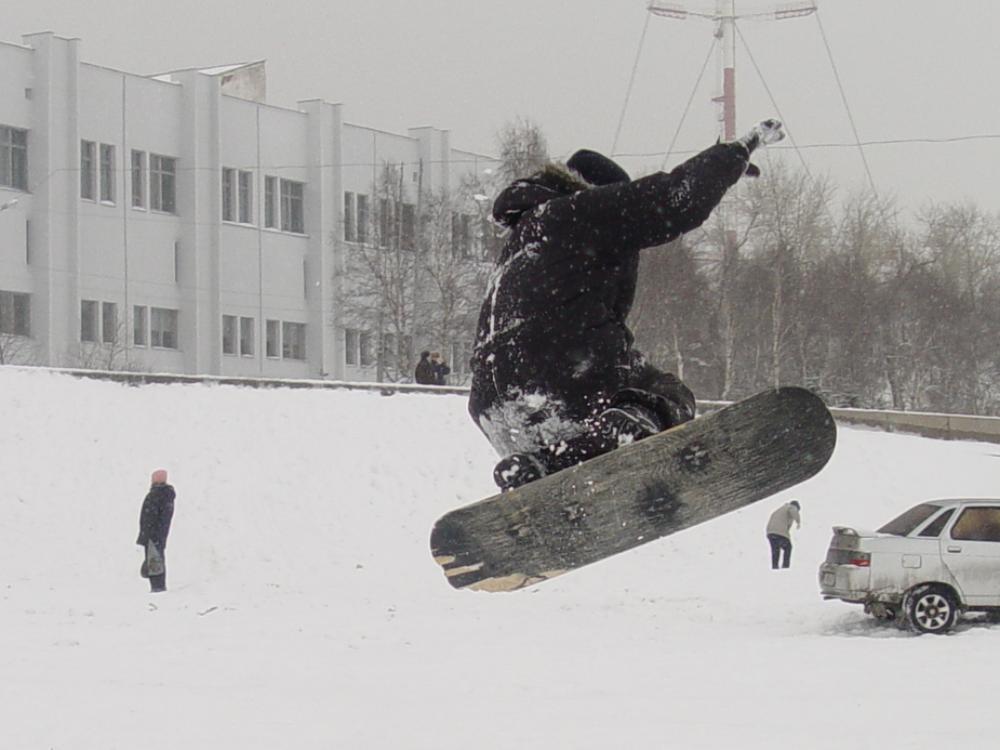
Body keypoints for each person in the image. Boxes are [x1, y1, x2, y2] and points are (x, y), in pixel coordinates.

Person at [468, 119, 785, 490]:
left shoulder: (520, 245)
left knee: (611, 395)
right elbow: (673, 200)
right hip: (562, 377)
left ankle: (544, 466)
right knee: (667, 393)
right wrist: (730, 157)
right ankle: (625, 427)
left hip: (496, 410)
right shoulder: (576, 214)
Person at [137, 469, 175, 593]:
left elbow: (150, 518)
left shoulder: (156, 495)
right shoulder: (165, 496)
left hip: (153, 535)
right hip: (157, 535)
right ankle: (158, 584)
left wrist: (147, 534)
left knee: (154, 559)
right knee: (155, 558)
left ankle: (157, 587)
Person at [766, 499, 801, 569]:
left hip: (770, 532)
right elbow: (793, 511)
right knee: (788, 547)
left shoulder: (780, 509)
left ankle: (774, 567)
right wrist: (798, 521)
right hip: (779, 532)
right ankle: (785, 567)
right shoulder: (791, 507)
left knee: (775, 549)